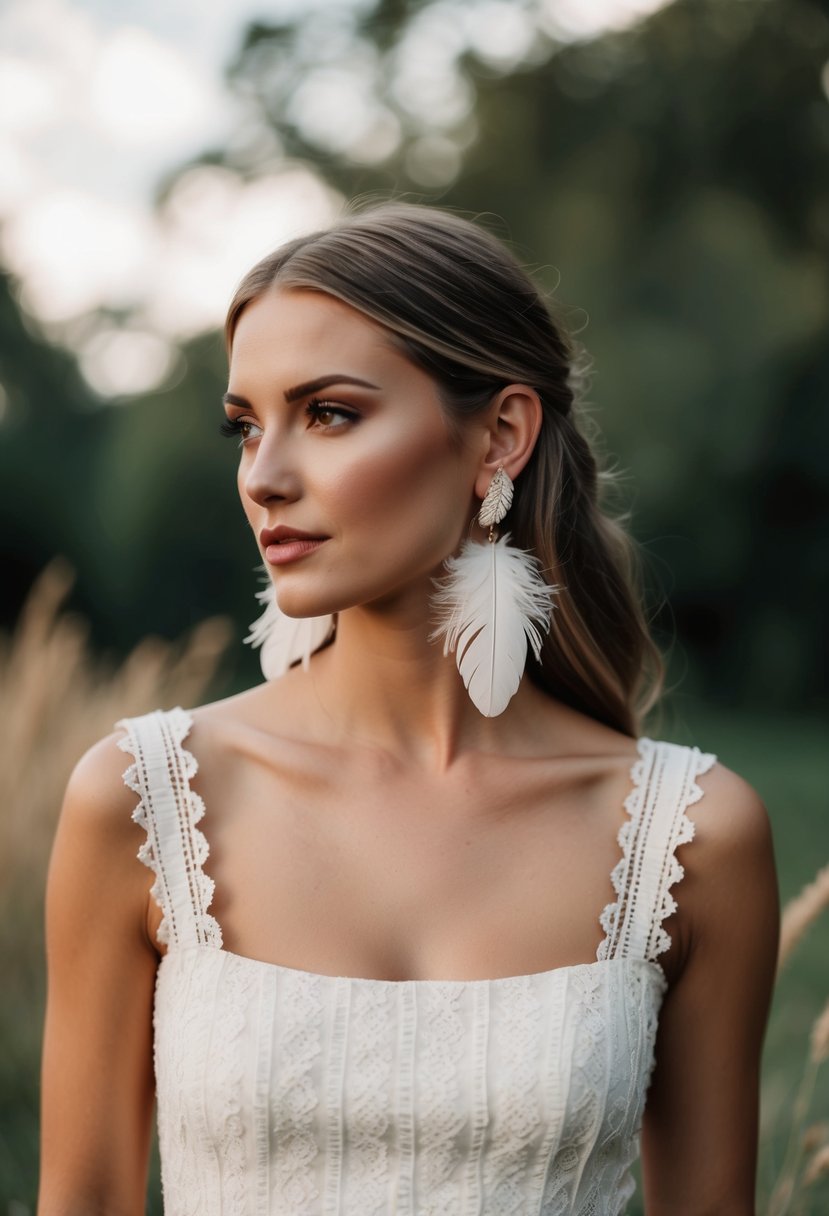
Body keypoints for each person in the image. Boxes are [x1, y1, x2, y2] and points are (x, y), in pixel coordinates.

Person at [38, 203, 779, 1215]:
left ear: (500, 434)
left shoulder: (691, 837)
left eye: (329, 413)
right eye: (246, 426)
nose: (264, 475)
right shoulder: (144, 801)